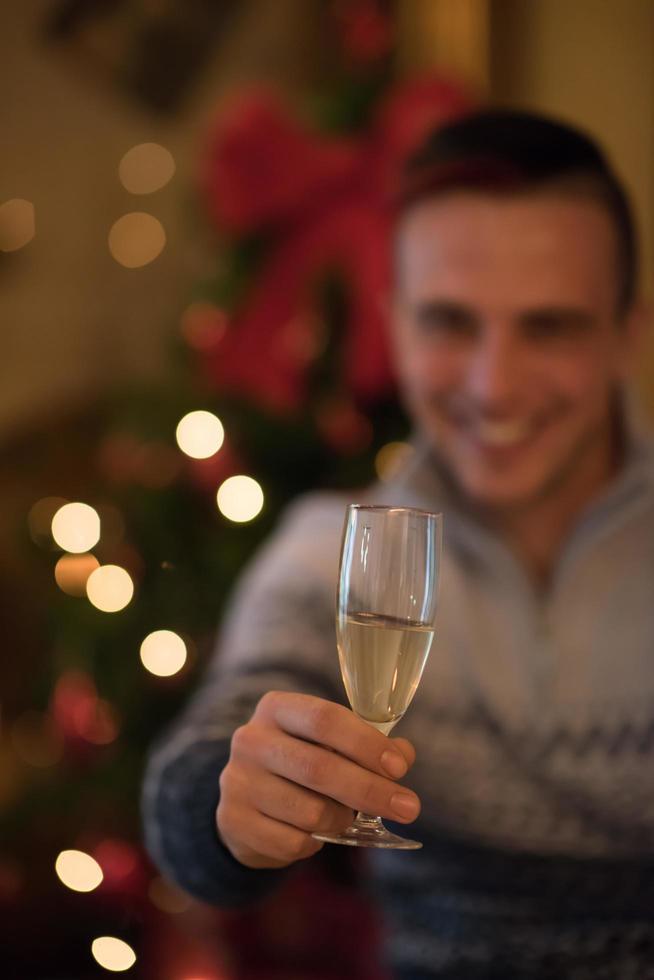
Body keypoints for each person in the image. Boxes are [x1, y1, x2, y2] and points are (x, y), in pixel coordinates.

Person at [143, 108, 654, 978]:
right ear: (396, 324)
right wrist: (231, 804)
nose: (495, 385)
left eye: (550, 326)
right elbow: (205, 761)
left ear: (629, 334)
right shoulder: (326, 552)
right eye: (451, 323)